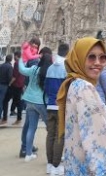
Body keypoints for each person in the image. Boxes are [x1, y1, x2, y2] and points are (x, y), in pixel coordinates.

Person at [57, 37, 106, 176]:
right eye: (91, 57)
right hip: (93, 170)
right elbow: (96, 135)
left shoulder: (75, 83)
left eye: (102, 58)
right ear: (79, 58)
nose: (97, 63)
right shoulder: (84, 88)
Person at [19, 52, 53, 161]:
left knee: (31, 128)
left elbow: (22, 70)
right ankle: (53, 153)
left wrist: (22, 58)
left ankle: (28, 154)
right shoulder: (48, 72)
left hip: (29, 100)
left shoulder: (34, 69)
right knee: (51, 128)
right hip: (41, 102)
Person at [45, 43, 70, 176]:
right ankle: (56, 165)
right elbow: (67, 89)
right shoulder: (66, 67)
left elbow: (47, 88)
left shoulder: (50, 68)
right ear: (67, 52)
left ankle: (49, 164)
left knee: (50, 134)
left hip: (50, 104)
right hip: (60, 106)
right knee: (59, 135)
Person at [2, 51, 25, 126]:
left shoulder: (16, 63)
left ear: (16, 56)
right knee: (18, 102)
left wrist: (9, 83)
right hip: (20, 85)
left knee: (5, 101)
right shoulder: (22, 63)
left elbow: (14, 76)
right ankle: (19, 118)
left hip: (15, 86)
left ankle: (5, 119)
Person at [0, 54, 13, 125]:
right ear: (11, 59)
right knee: (2, 102)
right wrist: (10, 84)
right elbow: (9, 77)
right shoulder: (10, 67)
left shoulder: (1, 66)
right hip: (5, 86)